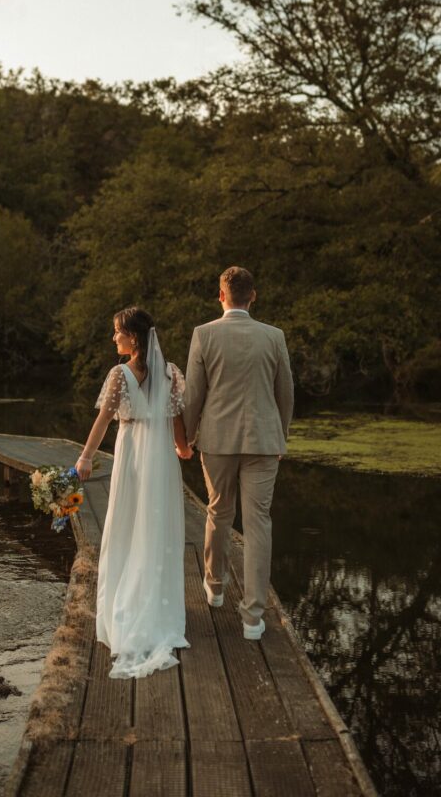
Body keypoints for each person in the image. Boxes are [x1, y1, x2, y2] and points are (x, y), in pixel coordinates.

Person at [75, 306, 192, 679]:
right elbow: (176, 419)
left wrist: (85, 457)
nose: (114, 338)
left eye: (117, 332)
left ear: (134, 338)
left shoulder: (119, 375)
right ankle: (159, 609)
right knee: (156, 531)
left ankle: (127, 608)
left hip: (132, 459)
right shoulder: (170, 373)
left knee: (126, 525)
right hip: (160, 459)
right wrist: (184, 449)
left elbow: (104, 420)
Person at [183, 266, 293, 640]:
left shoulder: (204, 335)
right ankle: (253, 618)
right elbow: (286, 394)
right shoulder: (274, 337)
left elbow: (193, 395)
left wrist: (185, 436)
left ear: (221, 296)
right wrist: (281, 435)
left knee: (219, 511)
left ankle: (214, 586)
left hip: (216, 440)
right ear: (253, 296)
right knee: (259, 522)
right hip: (263, 441)